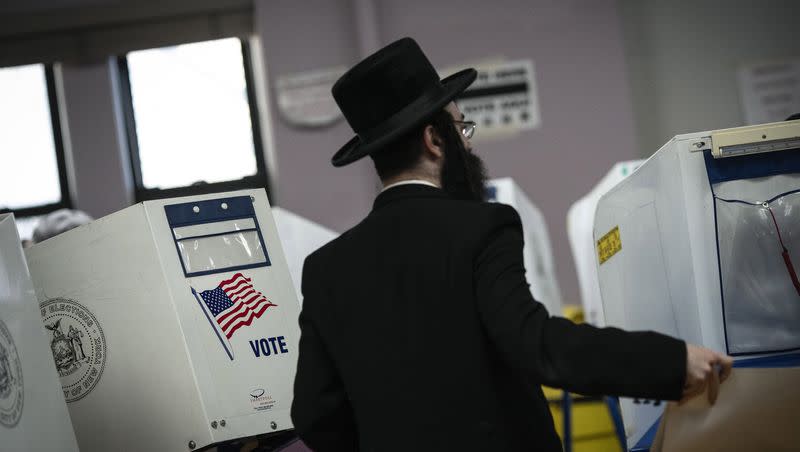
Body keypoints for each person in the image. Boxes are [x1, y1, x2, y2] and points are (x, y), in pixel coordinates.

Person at [291, 37, 733, 452]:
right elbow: (539, 344)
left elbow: (314, 415)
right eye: (462, 130)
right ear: (434, 139)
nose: (468, 144)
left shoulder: (326, 267)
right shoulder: (481, 226)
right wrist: (673, 362)